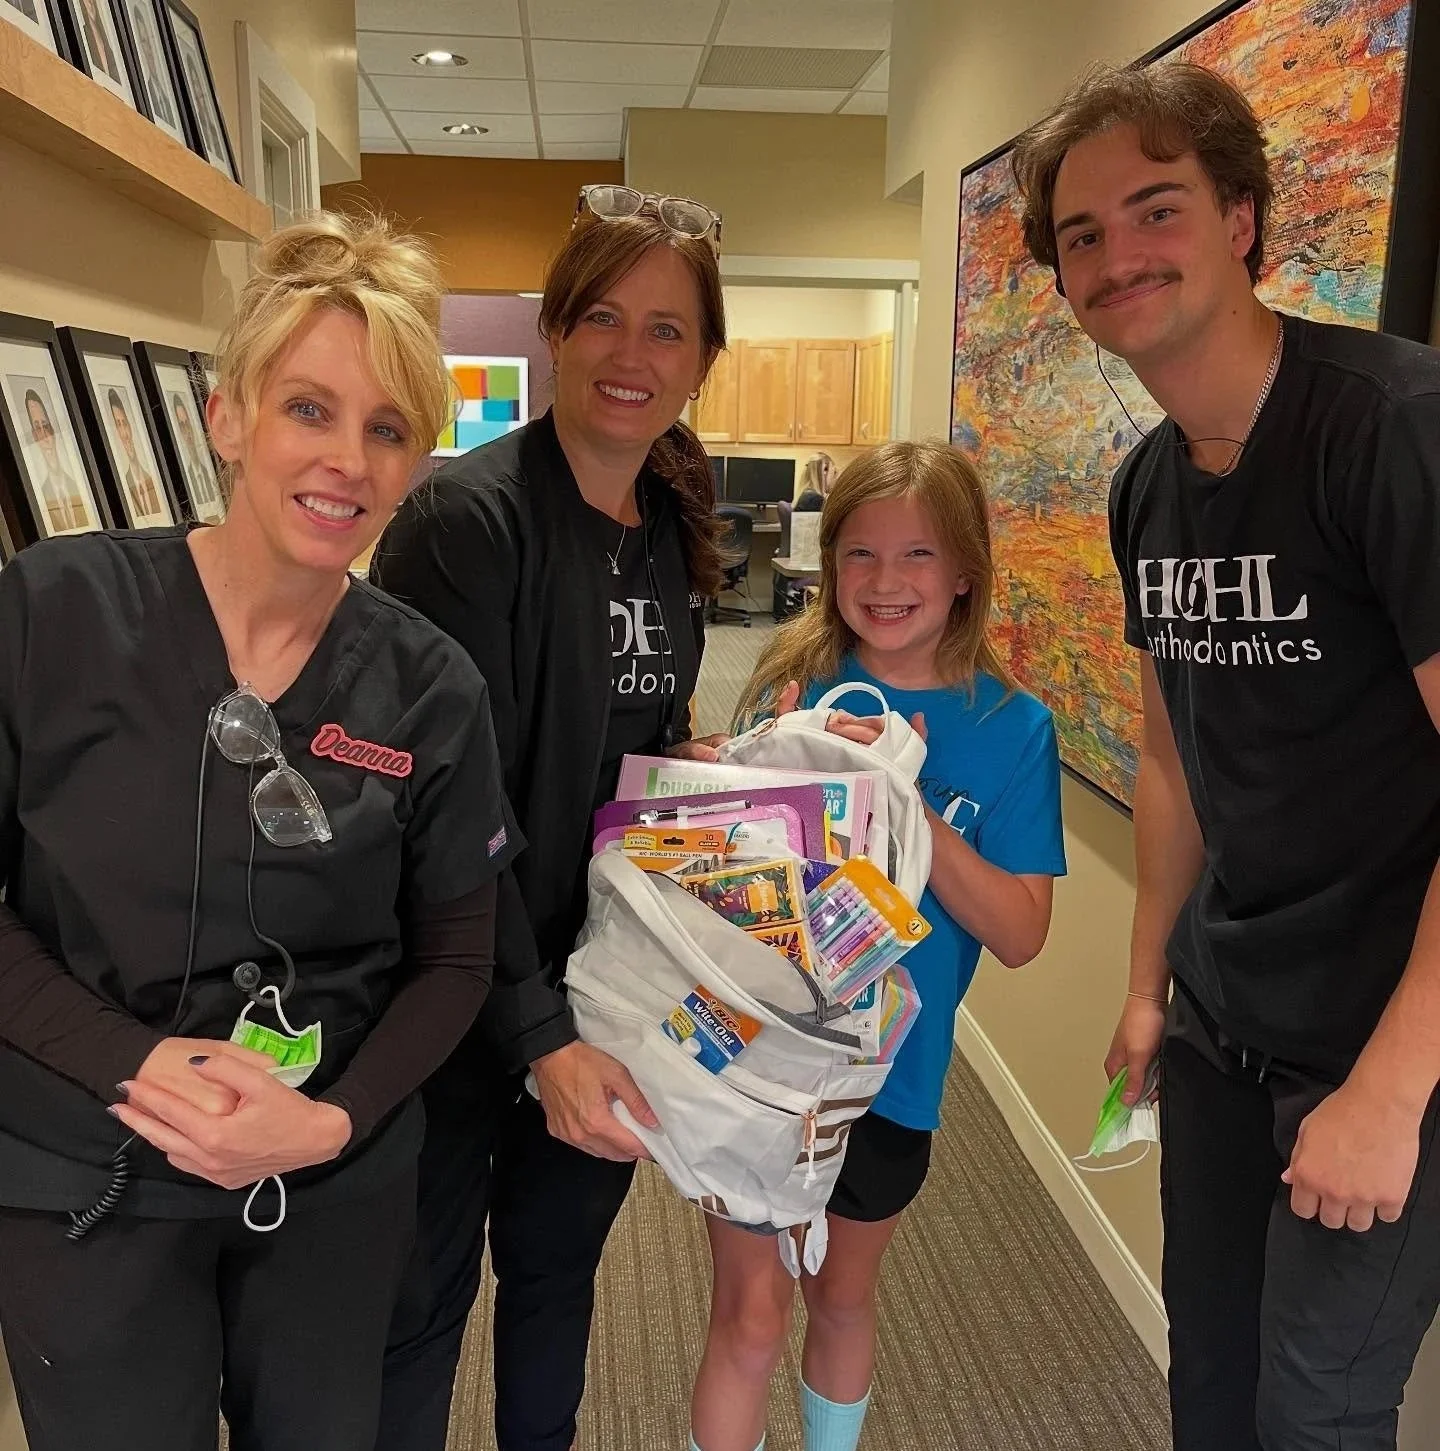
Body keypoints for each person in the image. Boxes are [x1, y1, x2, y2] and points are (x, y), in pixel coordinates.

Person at [0, 211, 521, 1451]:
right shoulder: (51, 617)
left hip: (327, 1177)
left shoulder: (429, 686)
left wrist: (333, 1120)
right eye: (308, 409)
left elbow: (456, 955)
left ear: (414, 462)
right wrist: (129, 1059)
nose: (346, 459)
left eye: (387, 428)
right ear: (228, 416)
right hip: (90, 1168)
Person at [1012, 60, 1440, 1450]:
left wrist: (1389, 1091)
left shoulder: (1386, 431)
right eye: (1083, 235)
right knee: (1212, 1383)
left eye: (1156, 208)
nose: (1118, 256)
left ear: (1243, 217)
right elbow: (1175, 753)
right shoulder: (1148, 483)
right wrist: (1148, 986)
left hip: (1384, 1042)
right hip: (1223, 1029)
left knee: (1315, 1409)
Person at [370, 182, 728, 1451]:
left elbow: (634, 740)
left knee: (556, 1273)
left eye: (669, 330)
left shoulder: (668, 528)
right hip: (462, 989)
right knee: (415, 1299)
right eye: (605, 319)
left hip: (609, 985)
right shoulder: (466, 521)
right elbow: (443, 806)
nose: (633, 356)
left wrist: (712, 771)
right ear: (557, 332)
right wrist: (537, 1035)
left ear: (702, 359)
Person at [702, 440, 1067, 1451]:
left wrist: (902, 804)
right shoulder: (793, 680)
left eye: (917, 556)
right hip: (754, 1059)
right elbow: (719, 880)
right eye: (859, 554)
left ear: (964, 571)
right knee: (747, 1314)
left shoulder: (1014, 728)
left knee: (840, 1300)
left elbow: (1022, 931)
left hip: (894, 1077)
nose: (886, 582)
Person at [22, 387, 87, 533]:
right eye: (37, 428)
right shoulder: (39, 498)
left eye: (45, 426)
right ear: (34, 437)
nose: (44, 436)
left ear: (53, 431)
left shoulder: (79, 488)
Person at [108, 386, 164, 520]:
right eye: (118, 425)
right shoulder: (122, 485)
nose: (125, 434)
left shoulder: (153, 480)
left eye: (125, 423)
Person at [171, 389, 218, 509]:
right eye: (182, 425)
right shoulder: (182, 480)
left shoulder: (209, 471)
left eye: (187, 423)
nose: (187, 432)